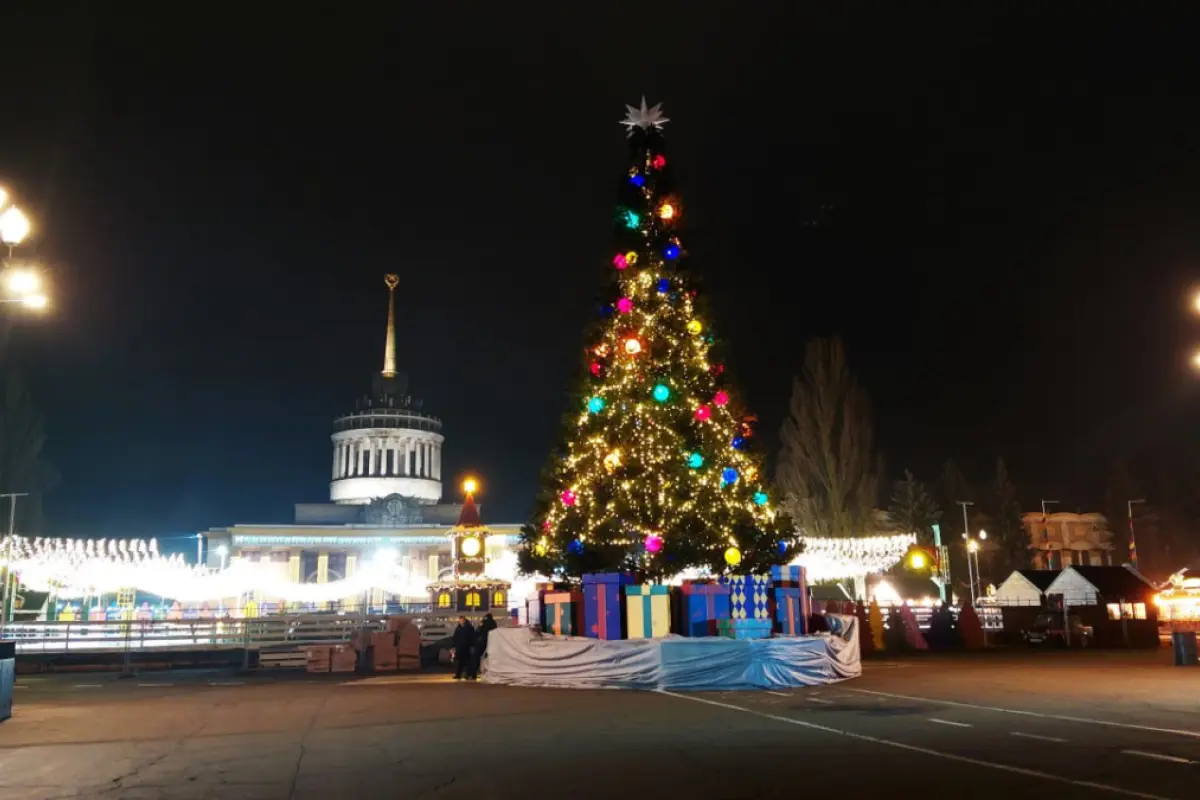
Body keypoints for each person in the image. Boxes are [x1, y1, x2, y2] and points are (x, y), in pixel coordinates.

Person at [467, 612, 498, 680]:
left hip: (480, 642)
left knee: (475, 658)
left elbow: (478, 631)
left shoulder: (483, 622)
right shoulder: (493, 623)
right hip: (490, 642)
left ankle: (472, 674)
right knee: (488, 658)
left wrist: (475, 641)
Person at [452, 616, 475, 680]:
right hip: (460, 648)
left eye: (462, 620)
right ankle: (458, 674)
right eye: (460, 620)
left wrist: (471, 645)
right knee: (460, 662)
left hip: (466, 647)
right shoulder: (458, 628)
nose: (461, 621)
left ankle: (467, 674)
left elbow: (472, 637)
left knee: (467, 662)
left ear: (464, 620)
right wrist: (454, 645)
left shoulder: (469, 628)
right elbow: (455, 637)